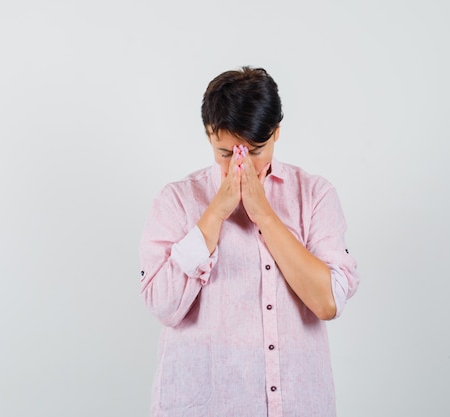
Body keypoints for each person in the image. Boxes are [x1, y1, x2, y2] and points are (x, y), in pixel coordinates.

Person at [139, 66, 359, 417]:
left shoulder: (315, 194)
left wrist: (265, 216)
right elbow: (162, 306)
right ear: (209, 135)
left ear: (276, 133)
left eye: (255, 150)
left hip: (296, 405)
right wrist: (214, 215)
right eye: (226, 154)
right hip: (204, 405)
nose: (241, 166)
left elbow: (329, 301)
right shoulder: (176, 201)